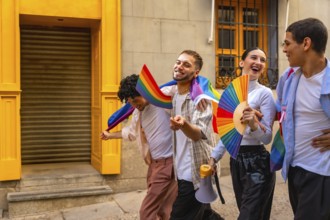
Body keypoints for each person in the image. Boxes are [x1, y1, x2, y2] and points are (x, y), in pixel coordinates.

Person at [209, 47, 276, 220]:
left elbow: (267, 137)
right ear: (241, 62)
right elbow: (228, 133)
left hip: (258, 163)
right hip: (236, 161)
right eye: (254, 57)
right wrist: (213, 158)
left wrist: (253, 123)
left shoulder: (265, 93)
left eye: (262, 60)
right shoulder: (231, 92)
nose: (258, 63)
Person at [100, 74, 177, 220]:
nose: (135, 105)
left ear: (145, 92)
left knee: (146, 212)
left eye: (136, 101)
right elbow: (130, 132)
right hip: (154, 164)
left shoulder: (164, 97)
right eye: (131, 103)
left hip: (168, 163)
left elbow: (185, 85)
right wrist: (109, 136)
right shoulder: (138, 112)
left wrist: (199, 97)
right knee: (165, 209)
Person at [279, 17, 330, 219]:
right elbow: (281, 110)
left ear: (306, 44)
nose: (284, 49)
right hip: (294, 169)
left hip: (322, 173)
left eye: (288, 43)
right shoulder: (289, 77)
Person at [169, 50, 223, 220]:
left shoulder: (200, 100)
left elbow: (198, 133)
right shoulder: (174, 94)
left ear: (196, 72)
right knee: (204, 214)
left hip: (195, 173)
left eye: (186, 64)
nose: (180, 66)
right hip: (181, 168)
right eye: (178, 62)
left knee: (179, 215)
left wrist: (183, 124)